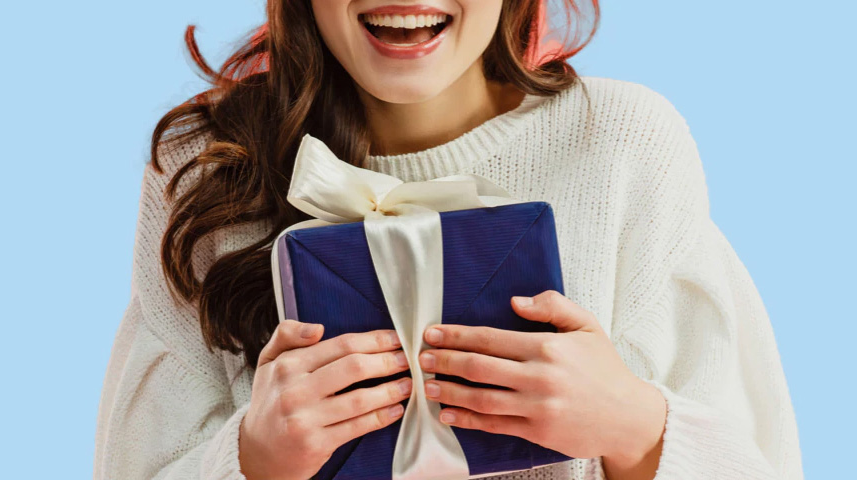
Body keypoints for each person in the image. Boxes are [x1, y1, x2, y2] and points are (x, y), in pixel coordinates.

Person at [93, 1, 804, 479]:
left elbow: (763, 459)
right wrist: (253, 460)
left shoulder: (622, 145)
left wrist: (634, 427)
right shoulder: (208, 170)